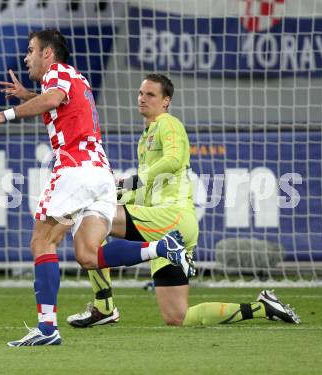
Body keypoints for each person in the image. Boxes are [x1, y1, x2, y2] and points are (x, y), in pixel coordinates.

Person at [0, 30, 194, 346]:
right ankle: (163, 247)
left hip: (75, 168)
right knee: (89, 255)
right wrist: (27, 96)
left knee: (41, 241)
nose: (26, 57)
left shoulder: (57, 73)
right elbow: (60, 105)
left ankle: (47, 329)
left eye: (31, 50)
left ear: (48, 54)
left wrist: (3, 115)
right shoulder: (78, 79)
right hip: (100, 173)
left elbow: (53, 99)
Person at [66, 73, 301, 328]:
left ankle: (103, 307)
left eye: (151, 94)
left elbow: (174, 160)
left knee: (92, 219)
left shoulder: (168, 123)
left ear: (166, 101)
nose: (142, 98)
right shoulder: (146, 137)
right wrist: (115, 192)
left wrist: (127, 184)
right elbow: (145, 188)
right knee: (178, 317)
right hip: (167, 227)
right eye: (141, 93)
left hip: (170, 218)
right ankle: (263, 307)